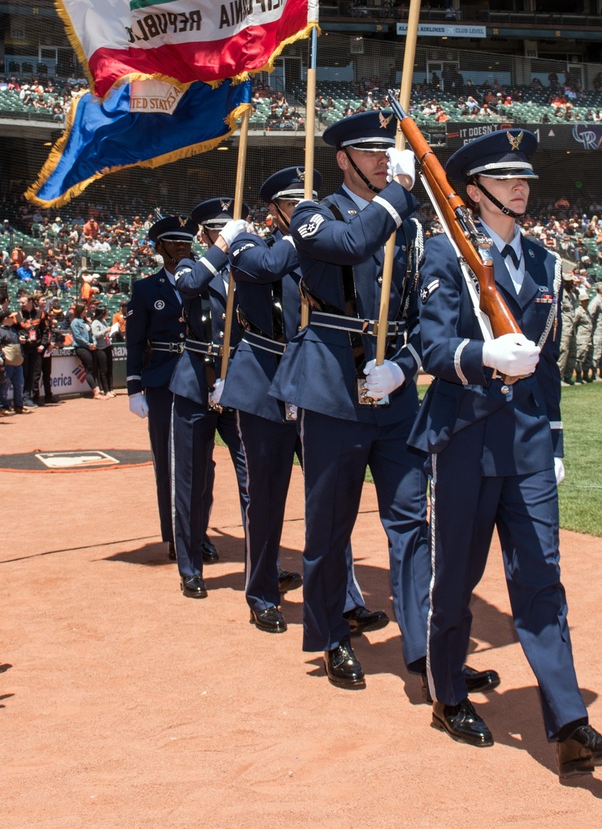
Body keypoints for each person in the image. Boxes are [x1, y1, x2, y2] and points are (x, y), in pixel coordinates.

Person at [413, 128, 602, 780]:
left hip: (529, 444)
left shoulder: (546, 264)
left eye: (525, 176)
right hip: (463, 441)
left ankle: (569, 725)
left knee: (541, 580)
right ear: (473, 190)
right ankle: (448, 694)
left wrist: (555, 440)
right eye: (505, 177)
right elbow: (430, 351)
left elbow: (549, 366)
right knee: (456, 577)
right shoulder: (443, 257)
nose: (521, 185)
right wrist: (481, 356)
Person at [270, 114, 434, 691]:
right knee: (329, 524)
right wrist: (398, 196)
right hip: (332, 385)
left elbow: (420, 315)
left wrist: (403, 367)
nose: (382, 160)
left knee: (413, 522)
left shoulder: (408, 227)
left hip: (392, 390)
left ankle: (425, 647)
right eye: (367, 152)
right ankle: (331, 635)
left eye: (385, 152)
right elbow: (350, 243)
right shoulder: (316, 213)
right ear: (341, 159)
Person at [224, 166, 375, 636]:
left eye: (305, 203)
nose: (301, 212)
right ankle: (263, 591)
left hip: (313, 382)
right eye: (291, 205)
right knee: (266, 498)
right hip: (265, 385)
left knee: (329, 499)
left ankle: (344, 597)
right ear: (273, 211)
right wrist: (307, 235)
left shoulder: (322, 243)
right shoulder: (251, 245)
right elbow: (264, 269)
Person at [170, 199, 251, 599]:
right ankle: (190, 567)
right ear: (203, 235)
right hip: (195, 387)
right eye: (215, 231)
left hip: (240, 385)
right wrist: (222, 247)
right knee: (191, 479)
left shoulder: (249, 268)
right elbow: (189, 285)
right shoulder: (190, 265)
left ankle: (261, 565)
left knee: (253, 479)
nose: (222, 236)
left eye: (228, 229)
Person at [125, 217, 195, 559]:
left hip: (201, 375)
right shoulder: (145, 289)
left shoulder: (203, 281)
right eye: (175, 243)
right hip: (163, 378)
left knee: (202, 463)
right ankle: (175, 538)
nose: (183, 248)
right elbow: (135, 341)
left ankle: (198, 533)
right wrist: (133, 387)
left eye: (186, 243)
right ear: (159, 248)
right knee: (168, 460)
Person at [70, 303, 109, 400]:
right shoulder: (75, 322)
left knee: (94, 368)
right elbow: (78, 337)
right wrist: (89, 344)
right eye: (84, 310)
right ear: (80, 310)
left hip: (91, 347)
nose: (86, 311)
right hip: (82, 348)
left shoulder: (86, 321)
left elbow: (92, 334)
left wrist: (94, 343)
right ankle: (96, 392)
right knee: (89, 368)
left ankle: (97, 390)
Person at [90, 306, 113, 395]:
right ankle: (106, 390)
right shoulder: (95, 322)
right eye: (106, 312)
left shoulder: (104, 321)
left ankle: (111, 389)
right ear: (102, 313)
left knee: (109, 368)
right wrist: (105, 330)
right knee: (104, 369)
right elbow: (96, 334)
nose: (107, 314)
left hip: (107, 346)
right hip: (100, 348)